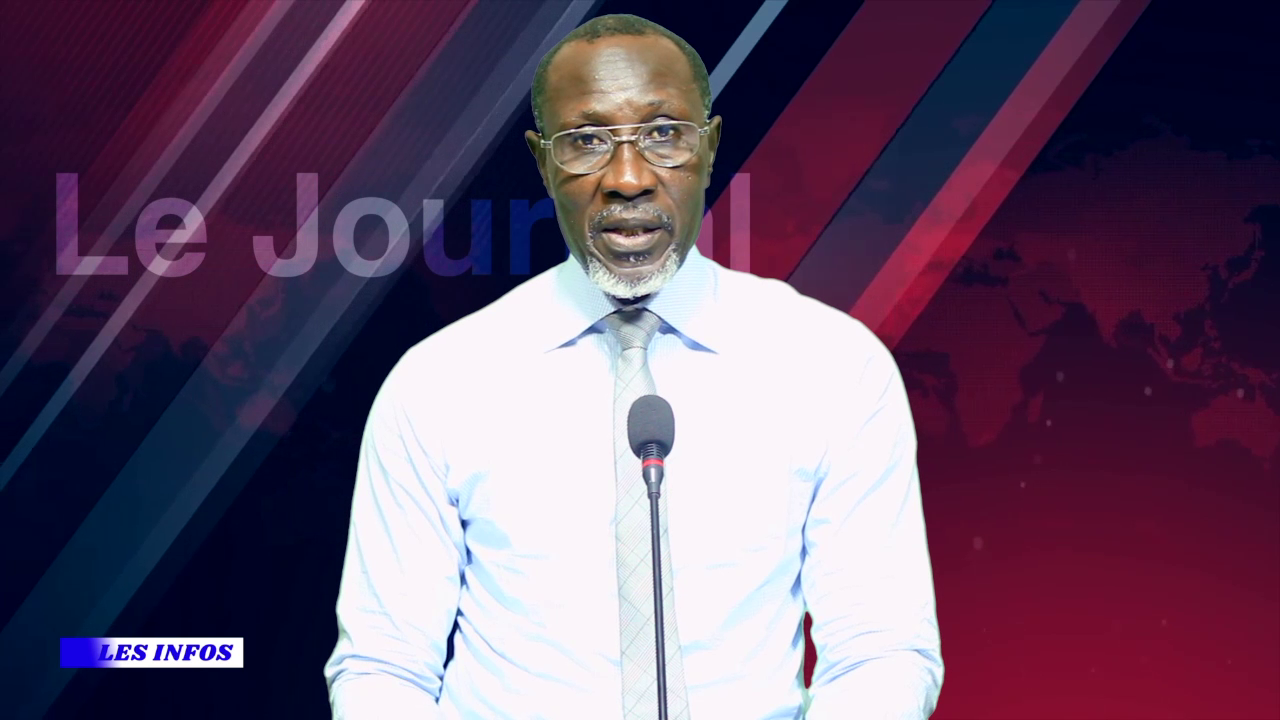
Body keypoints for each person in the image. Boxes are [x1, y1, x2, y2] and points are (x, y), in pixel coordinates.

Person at [324, 13, 943, 720]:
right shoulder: (438, 384)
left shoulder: (832, 366)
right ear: (543, 163)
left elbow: (880, 651)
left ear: (710, 147)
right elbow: (383, 667)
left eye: (664, 134)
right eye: (586, 141)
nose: (627, 178)